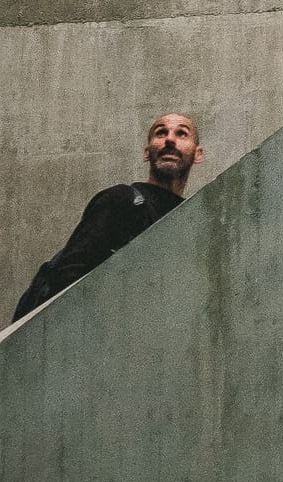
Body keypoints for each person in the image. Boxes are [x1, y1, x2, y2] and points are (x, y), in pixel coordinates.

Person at [11, 112, 203, 324]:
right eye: (161, 133)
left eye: (181, 134)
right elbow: (69, 275)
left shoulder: (192, 223)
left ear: (198, 154)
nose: (169, 139)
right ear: (147, 153)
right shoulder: (121, 200)